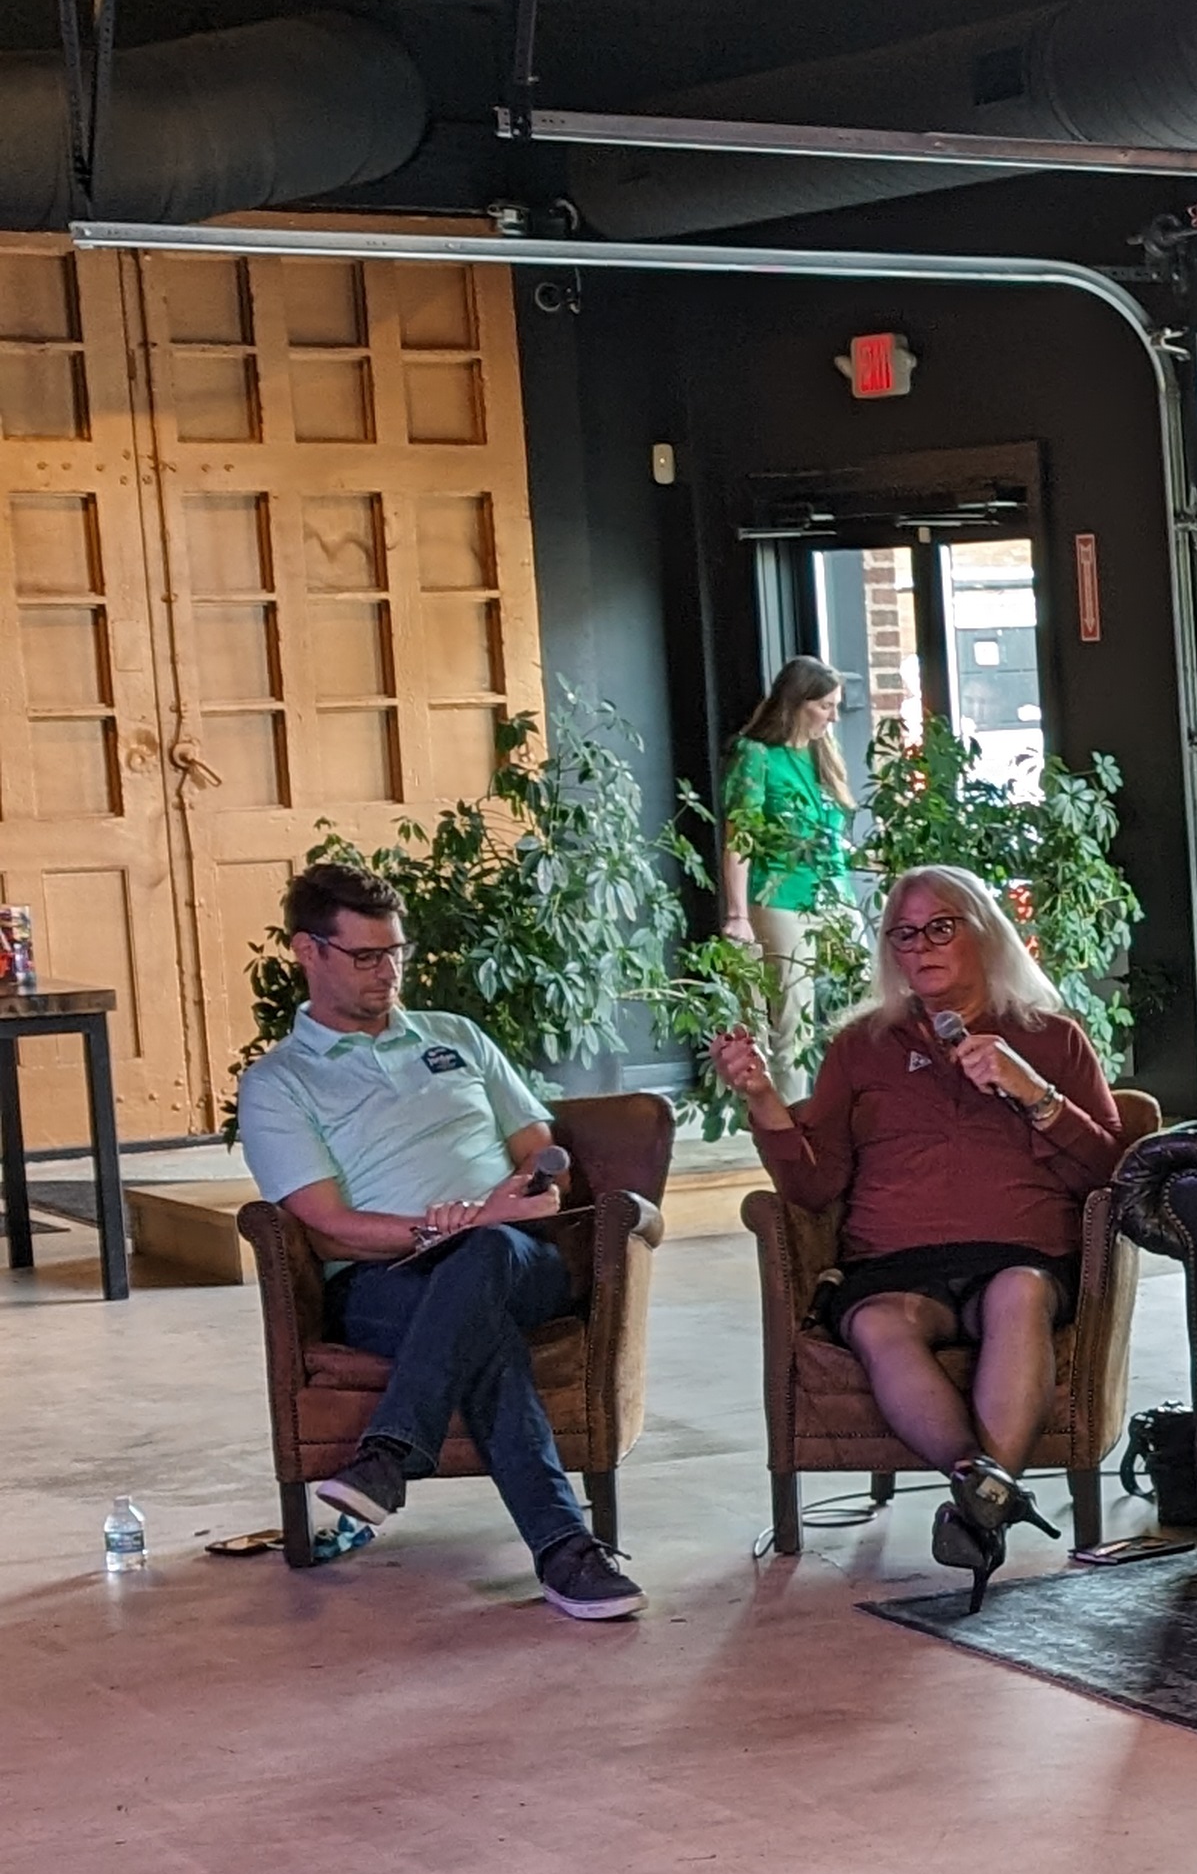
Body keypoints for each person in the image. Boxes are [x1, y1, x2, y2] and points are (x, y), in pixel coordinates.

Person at [234, 860, 645, 1621]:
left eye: (396, 952)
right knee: (476, 1323)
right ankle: (565, 1550)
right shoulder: (280, 1082)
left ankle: (389, 1453)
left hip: (519, 1259)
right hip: (381, 1284)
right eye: (365, 956)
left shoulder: (457, 1037)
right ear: (307, 952)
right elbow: (328, 1225)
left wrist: (509, 1200)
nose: (387, 972)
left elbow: (542, 1155)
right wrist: (437, 1227)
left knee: (485, 1260)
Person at [709, 864, 1123, 1597]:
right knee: (877, 1322)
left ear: (984, 934)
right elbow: (813, 1187)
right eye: (904, 934)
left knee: (1019, 1294)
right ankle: (981, 1487)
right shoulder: (861, 1046)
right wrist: (765, 1100)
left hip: (1020, 1253)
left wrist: (1034, 1092)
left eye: (941, 927)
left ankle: (977, 1502)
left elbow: (1114, 1176)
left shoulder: (1051, 1038)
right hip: (893, 1260)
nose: (922, 947)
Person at [717, 657, 860, 1045]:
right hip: (781, 897)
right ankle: (790, 1107)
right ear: (797, 703)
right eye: (825, 706)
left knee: (871, 994)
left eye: (836, 706)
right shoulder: (756, 754)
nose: (833, 718)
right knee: (791, 1021)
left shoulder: (822, 754)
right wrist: (738, 915)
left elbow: (830, 834)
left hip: (834, 895)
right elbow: (740, 838)